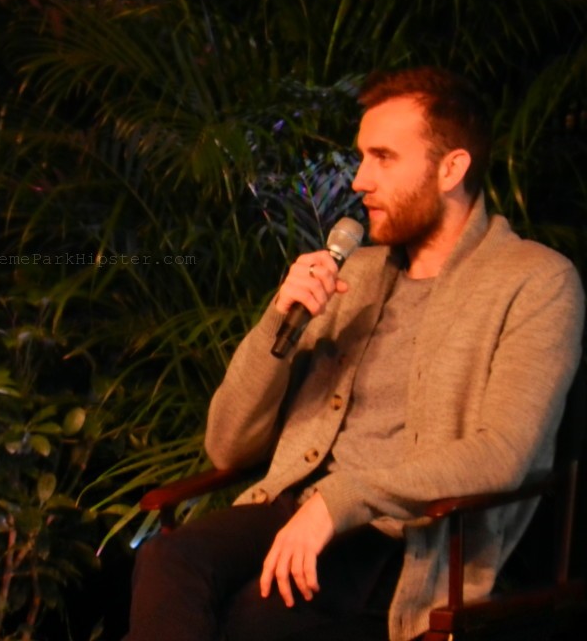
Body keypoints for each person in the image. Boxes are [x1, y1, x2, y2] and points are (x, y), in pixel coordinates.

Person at [126, 67, 584, 641]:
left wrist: (342, 499)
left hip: (405, 535)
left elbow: (504, 453)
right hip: (294, 509)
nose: (360, 180)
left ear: (451, 168)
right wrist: (279, 318)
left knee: (251, 620)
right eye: (361, 157)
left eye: (383, 157)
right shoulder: (354, 274)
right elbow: (227, 443)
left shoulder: (536, 281)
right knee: (166, 560)